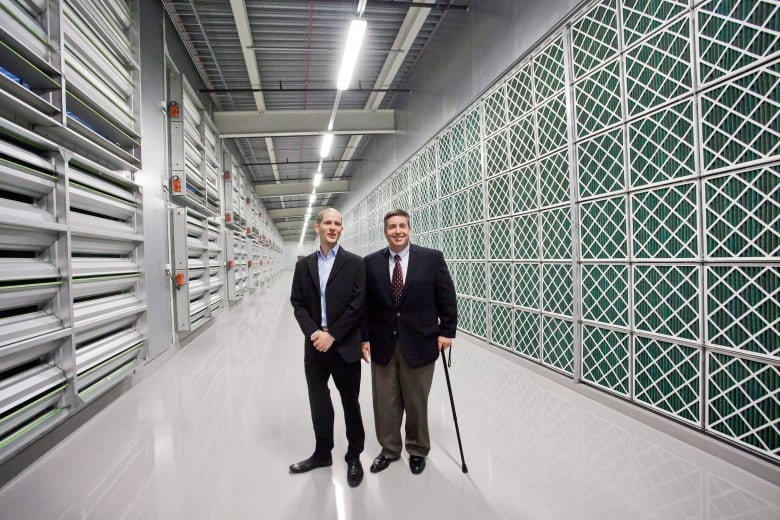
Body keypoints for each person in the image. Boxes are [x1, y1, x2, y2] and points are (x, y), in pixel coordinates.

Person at [362, 209, 457, 475]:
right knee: (385, 401)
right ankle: (390, 449)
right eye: (392, 227)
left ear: (410, 229)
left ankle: (417, 449)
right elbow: (365, 305)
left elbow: (446, 297)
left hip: (421, 341)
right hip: (382, 343)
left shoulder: (431, 259)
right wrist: (364, 337)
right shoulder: (370, 263)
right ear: (385, 232)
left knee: (416, 401)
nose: (397, 231)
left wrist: (447, 331)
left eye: (402, 226)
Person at [289, 207, 367, 487]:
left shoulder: (355, 263)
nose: (333, 227)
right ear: (317, 227)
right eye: (328, 223)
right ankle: (323, 453)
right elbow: (297, 302)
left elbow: (358, 305)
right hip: (315, 347)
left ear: (341, 229)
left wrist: (332, 334)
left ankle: (354, 455)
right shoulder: (304, 265)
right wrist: (314, 333)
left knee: (350, 402)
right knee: (319, 402)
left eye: (337, 224)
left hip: (344, 344)